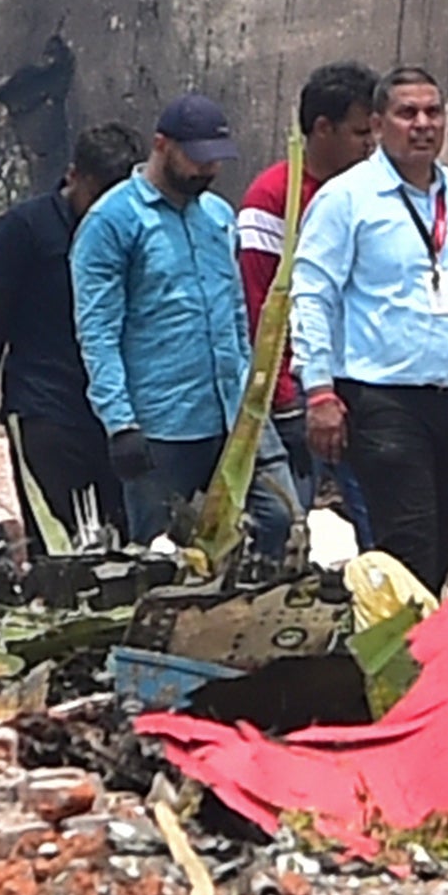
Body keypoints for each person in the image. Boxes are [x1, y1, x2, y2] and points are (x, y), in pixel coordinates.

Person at [293, 68, 448, 593]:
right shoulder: (347, 200)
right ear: (380, 123)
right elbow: (313, 296)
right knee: (408, 545)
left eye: (433, 112)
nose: (423, 124)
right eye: (408, 113)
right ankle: (402, 664)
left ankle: (411, 655)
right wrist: (318, 391)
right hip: (383, 400)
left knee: (446, 543)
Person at [72, 93, 300, 556]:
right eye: (197, 159)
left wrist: (253, 389)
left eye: (215, 161)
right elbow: (98, 331)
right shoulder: (113, 222)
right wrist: (120, 423)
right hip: (162, 423)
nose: (207, 170)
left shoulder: (217, 216)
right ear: (162, 145)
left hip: (234, 411)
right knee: (157, 551)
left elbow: (235, 313)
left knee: (280, 519)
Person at [0, 122, 147, 548]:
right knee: (58, 543)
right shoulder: (25, 229)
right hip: (44, 408)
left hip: (113, 413)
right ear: (73, 176)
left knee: (123, 540)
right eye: (96, 196)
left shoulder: (133, 231)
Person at [240, 62, 379, 545]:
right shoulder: (274, 198)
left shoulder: (375, 192)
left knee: (379, 521)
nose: (371, 145)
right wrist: (282, 399)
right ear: (323, 129)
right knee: (288, 520)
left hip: (364, 381)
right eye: (361, 132)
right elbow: (260, 304)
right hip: (299, 391)